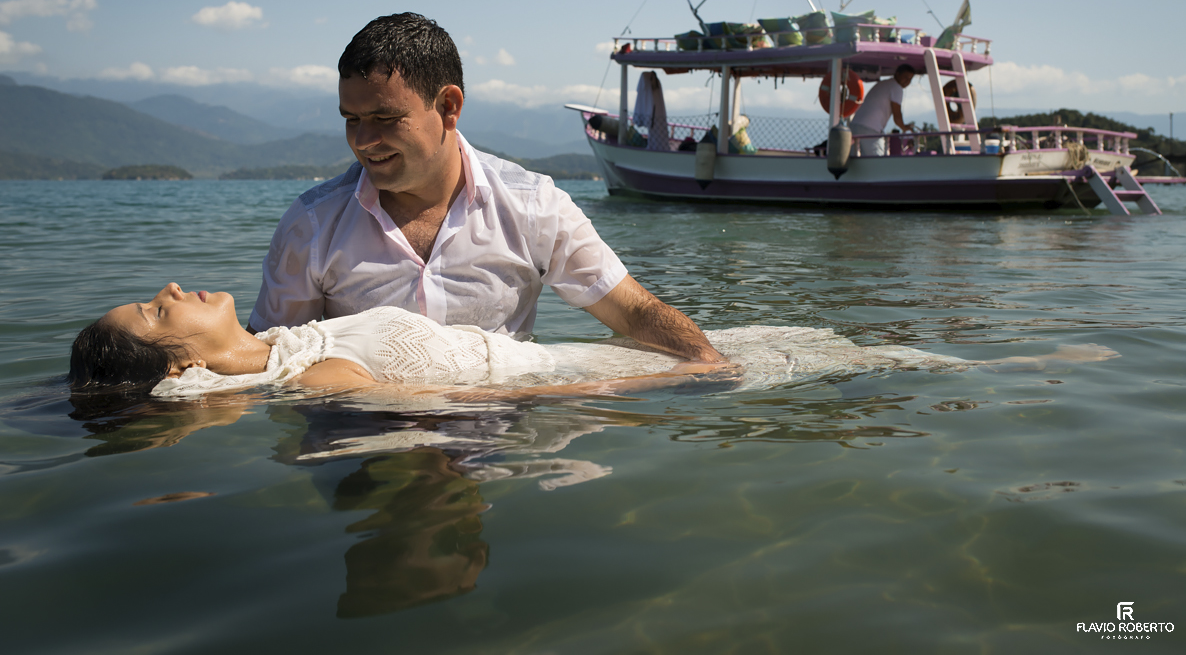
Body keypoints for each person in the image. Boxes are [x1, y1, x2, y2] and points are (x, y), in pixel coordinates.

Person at [249, 13, 722, 364]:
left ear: (449, 107)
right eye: (351, 120)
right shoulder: (313, 223)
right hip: (361, 435)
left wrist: (710, 364)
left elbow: (635, 312)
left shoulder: (533, 206)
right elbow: (269, 355)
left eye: (385, 119)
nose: (363, 141)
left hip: (491, 434)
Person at [69, 283, 1119, 400]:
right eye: (155, 314)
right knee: (828, 360)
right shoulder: (323, 372)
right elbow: (491, 403)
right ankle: (1023, 370)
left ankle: (1009, 366)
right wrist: (665, 387)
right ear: (187, 365)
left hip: (589, 360)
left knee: (829, 342)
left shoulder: (296, 337)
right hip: (581, 374)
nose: (169, 290)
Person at [849, 64, 916, 156]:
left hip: (854, 126)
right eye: (905, 77)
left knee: (855, 163)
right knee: (877, 163)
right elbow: (897, 117)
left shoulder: (884, 83)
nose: (907, 81)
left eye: (910, 79)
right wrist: (906, 129)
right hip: (870, 130)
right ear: (897, 74)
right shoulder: (896, 87)